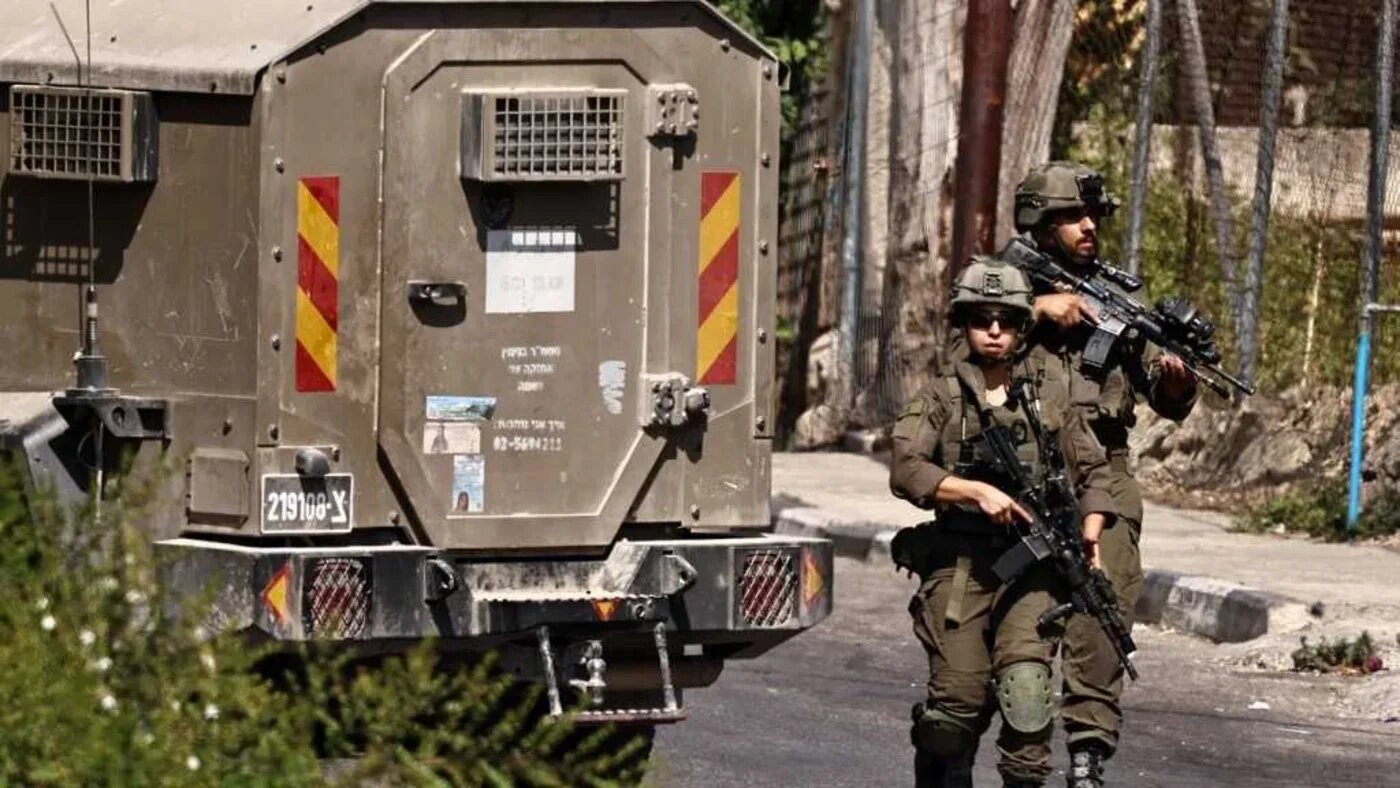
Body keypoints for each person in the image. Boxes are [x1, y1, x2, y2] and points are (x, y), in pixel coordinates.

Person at [891, 257, 1118, 788]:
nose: (994, 331)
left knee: (1028, 692)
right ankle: (943, 766)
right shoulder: (942, 399)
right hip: (960, 567)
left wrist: (1091, 527)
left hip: (1031, 570)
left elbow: (1093, 469)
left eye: (1008, 321)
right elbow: (906, 468)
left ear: (1022, 328)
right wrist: (973, 491)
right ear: (964, 324)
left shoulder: (1048, 397)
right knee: (956, 705)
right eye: (981, 319)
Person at [1011, 161, 1198, 787]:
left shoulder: (1121, 301)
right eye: (1073, 218)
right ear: (1040, 221)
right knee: (1012, 613)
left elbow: (1164, 393)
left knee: (1104, 603)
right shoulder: (1001, 284)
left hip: (1105, 464)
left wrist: (1177, 380)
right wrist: (1038, 309)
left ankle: (1088, 753)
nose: (1089, 226)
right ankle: (993, 741)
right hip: (1019, 465)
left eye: (1094, 217)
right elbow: (963, 346)